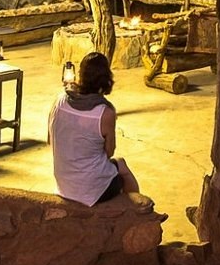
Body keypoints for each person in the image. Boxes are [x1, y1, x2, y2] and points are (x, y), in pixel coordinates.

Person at [48, 52, 149, 209]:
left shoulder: (59, 100)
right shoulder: (105, 113)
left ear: (80, 74)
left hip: (63, 184)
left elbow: (50, 140)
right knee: (121, 165)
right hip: (92, 190)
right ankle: (135, 213)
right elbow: (109, 152)